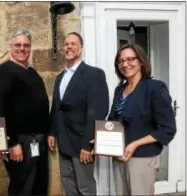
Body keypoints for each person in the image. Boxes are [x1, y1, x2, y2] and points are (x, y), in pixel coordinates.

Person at [109, 44, 176, 195]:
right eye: (120, 61)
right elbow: (112, 121)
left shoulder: (155, 88)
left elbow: (168, 128)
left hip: (142, 158)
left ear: (141, 61)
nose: (125, 64)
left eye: (130, 59)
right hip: (118, 156)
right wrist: (100, 140)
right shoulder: (119, 90)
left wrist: (135, 144)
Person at [47, 32, 109, 196]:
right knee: (69, 184)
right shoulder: (60, 77)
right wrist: (52, 132)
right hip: (64, 141)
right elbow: (56, 108)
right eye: (66, 44)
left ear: (81, 48)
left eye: (73, 44)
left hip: (82, 142)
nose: (69, 47)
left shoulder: (93, 74)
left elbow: (98, 111)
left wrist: (88, 145)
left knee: (85, 187)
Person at [0, 28, 50, 196]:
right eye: (18, 45)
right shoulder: (2, 72)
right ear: (11, 47)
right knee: (22, 188)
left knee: (39, 186)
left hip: (38, 140)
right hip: (20, 142)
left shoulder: (32, 72)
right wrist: (12, 143)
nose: (22, 48)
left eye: (26, 45)